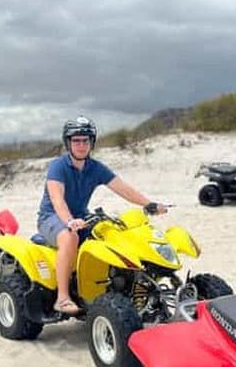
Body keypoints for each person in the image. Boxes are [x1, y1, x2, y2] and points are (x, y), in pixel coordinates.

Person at [37, 116, 167, 315]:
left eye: (85, 140)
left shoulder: (95, 168)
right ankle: (62, 298)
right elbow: (57, 199)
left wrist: (148, 204)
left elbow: (123, 188)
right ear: (68, 143)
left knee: (113, 232)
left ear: (92, 143)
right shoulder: (58, 166)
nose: (81, 145)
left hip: (82, 217)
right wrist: (69, 221)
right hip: (52, 218)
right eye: (76, 140)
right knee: (68, 236)